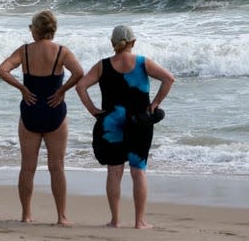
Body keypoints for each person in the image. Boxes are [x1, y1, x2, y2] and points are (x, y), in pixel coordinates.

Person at [75, 25, 174, 229]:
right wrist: (155, 104)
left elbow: (80, 86)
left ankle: (115, 220)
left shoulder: (102, 65)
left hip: (112, 123)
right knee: (138, 172)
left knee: (114, 172)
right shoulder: (142, 62)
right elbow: (169, 78)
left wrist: (93, 110)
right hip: (140, 122)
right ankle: (140, 222)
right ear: (133, 42)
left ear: (113, 43)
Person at [0, 10, 84, 225]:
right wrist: (62, 90)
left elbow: (2, 70)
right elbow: (79, 72)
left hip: (30, 109)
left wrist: (22, 88)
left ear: (35, 29)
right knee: (57, 167)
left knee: (27, 167)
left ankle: (26, 215)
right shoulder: (62, 51)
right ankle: (62, 217)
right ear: (52, 30)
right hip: (55, 110)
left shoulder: (25, 51)